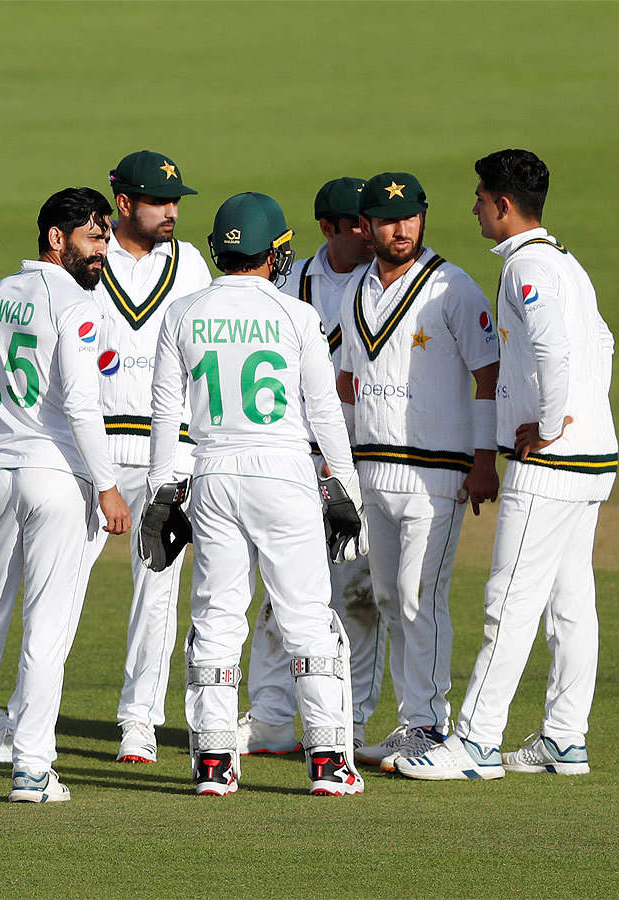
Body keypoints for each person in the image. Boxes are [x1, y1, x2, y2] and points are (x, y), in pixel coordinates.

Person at [398, 149, 616, 780]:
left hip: (552, 465)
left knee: (509, 599)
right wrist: (580, 417)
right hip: (592, 457)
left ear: (502, 204)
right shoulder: (566, 263)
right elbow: (602, 341)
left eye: (478, 196)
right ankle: (564, 738)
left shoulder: (530, 268)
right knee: (571, 601)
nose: (472, 206)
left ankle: (475, 744)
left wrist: (550, 425)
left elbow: (552, 347)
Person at [145, 192, 366, 796]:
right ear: (273, 253)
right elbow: (323, 410)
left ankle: (214, 765)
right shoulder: (296, 316)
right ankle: (328, 764)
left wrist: (162, 493)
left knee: (216, 619)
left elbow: (167, 414)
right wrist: (343, 487)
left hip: (213, 475)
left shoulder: (183, 312)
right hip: (285, 474)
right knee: (308, 621)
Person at [0, 187, 130, 803]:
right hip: (57, 476)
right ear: (56, 239)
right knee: (47, 625)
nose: (103, 251)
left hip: (1, 474)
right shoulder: (76, 304)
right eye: (93, 238)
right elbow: (84, 406)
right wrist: (109, 486)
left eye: (105, 239)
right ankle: (32, 768)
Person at [335, 172, 500, 772]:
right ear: (367, 225)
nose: (399, 229)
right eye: (386, 219)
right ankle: (411, 723)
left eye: (409, 217)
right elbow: (349, 383)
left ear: (423, 219)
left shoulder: (452, 289)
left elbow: (489, 375)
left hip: (437, 472)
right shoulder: (354, 289)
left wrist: (485, 458)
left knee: (416, 595)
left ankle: (430, 725)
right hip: (372, 468)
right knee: (384, 596)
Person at [242, 178, 383, 754]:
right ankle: (271, 717)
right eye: (357, 224)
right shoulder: (288, 280)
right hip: (293, 457)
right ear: (328, 228)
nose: (370, 233)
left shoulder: (392, 281)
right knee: (281, 594)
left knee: (357, 597)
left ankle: (349, 725)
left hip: (364, 456)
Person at [85, 150, 211, 765]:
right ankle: (29, 712)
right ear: (124, 203)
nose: (172, 212)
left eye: (177, 201)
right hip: (91, 450)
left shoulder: (191, 263)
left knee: (156, 594)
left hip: (169, 453)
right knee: (58, 588)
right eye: (160, 202)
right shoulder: (88, 255)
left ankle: (140, 722)